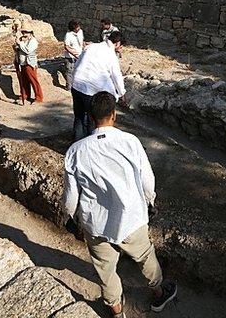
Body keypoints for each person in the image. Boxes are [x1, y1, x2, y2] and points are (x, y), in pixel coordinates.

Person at [62, 91, 177, 317]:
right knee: (145, 257)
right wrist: (150, 201)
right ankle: (158, 293)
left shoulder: (75, 151)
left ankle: (116, 310)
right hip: (132, 218)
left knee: (105, 270)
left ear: (90, 118)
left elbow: (71, 196)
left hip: (96, 224)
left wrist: (70, 217)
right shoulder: (130, 142)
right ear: (114, 115)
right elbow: (147, 179)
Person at [70, 31, 126, 141]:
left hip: (76, 86)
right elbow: (116, 76)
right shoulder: (110, 55)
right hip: (90, 91)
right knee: (93, 120)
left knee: (79, 117)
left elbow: (76, 65)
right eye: (121, 46)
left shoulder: (91, 47)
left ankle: (76, 142)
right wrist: (122, 93)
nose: (120, 49)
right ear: (117, 43)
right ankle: (91, 144)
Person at [12, 25, 43, 104]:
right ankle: (25, 95)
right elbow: (18, 50)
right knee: (24, 81)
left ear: (30, 33)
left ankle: (38, 97)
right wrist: (16, 46)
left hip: (29, 63)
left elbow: (27, 50)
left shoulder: (33, 41)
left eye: (26, 32)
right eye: (23, 32)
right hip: (22, 63)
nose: (24, 33)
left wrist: (20, 44)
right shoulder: (22, 40)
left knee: (33, 81)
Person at [61, 20, 85, 90]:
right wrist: (74, 54)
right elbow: (66, 47)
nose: (79, 28)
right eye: (77, 27)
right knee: (69, 72)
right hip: (70, 57)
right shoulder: (68, 35)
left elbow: (82, 40)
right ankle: (69, 87)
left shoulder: (80, 32)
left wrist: (84, 47)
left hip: (79, 55)